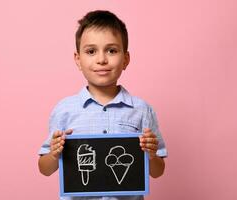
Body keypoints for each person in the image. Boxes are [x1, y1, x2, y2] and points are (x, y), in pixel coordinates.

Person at [38, 10, 167, 200]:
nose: (101, 59)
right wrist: (55, 153)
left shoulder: (141, 110)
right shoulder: (64, 110)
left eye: (112, 50)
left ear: (125, 59)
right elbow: (45, 169)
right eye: (91, 51)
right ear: (78, 59)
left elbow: (157, 172)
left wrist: (151, 155)